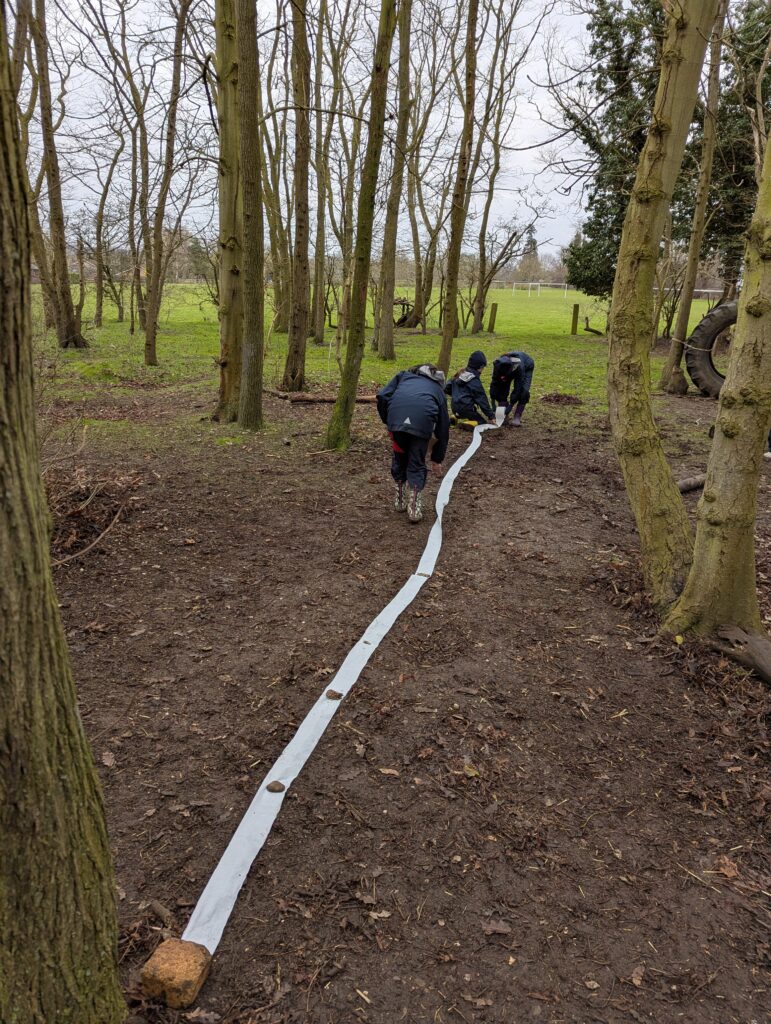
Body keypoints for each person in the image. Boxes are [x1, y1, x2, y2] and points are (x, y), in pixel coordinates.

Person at [376, 364, 450, 523]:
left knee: (399, 456)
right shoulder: (437, 390)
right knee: (416, 462)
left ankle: (400, 499)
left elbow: (383, 396)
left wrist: (389, 422)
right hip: (422, 424)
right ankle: (414, 507)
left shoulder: (403, 376)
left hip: (397, 421)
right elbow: (444, 427)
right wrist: (437, 458)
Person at [445, 350, 495, 426]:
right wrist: (491, 416)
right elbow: (482, 399)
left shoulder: (460, 373)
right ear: (480, 367)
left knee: (469, 409)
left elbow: (447, 388)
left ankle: (454, 417)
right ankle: (466, 424)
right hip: (466, 409)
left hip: (454, 407)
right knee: (482, 423)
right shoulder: (474, 380)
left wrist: (456, 395)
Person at [490, 350, 535, 426]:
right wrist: (493, 399)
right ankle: (503, 414)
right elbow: (495, 382)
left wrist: (511, 404)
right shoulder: (498, 365)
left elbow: (518, 387)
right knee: (502, 388)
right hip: (508, 370)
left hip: (527, 367)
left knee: (524, 391)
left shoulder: (519, 367)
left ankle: (517, 415)